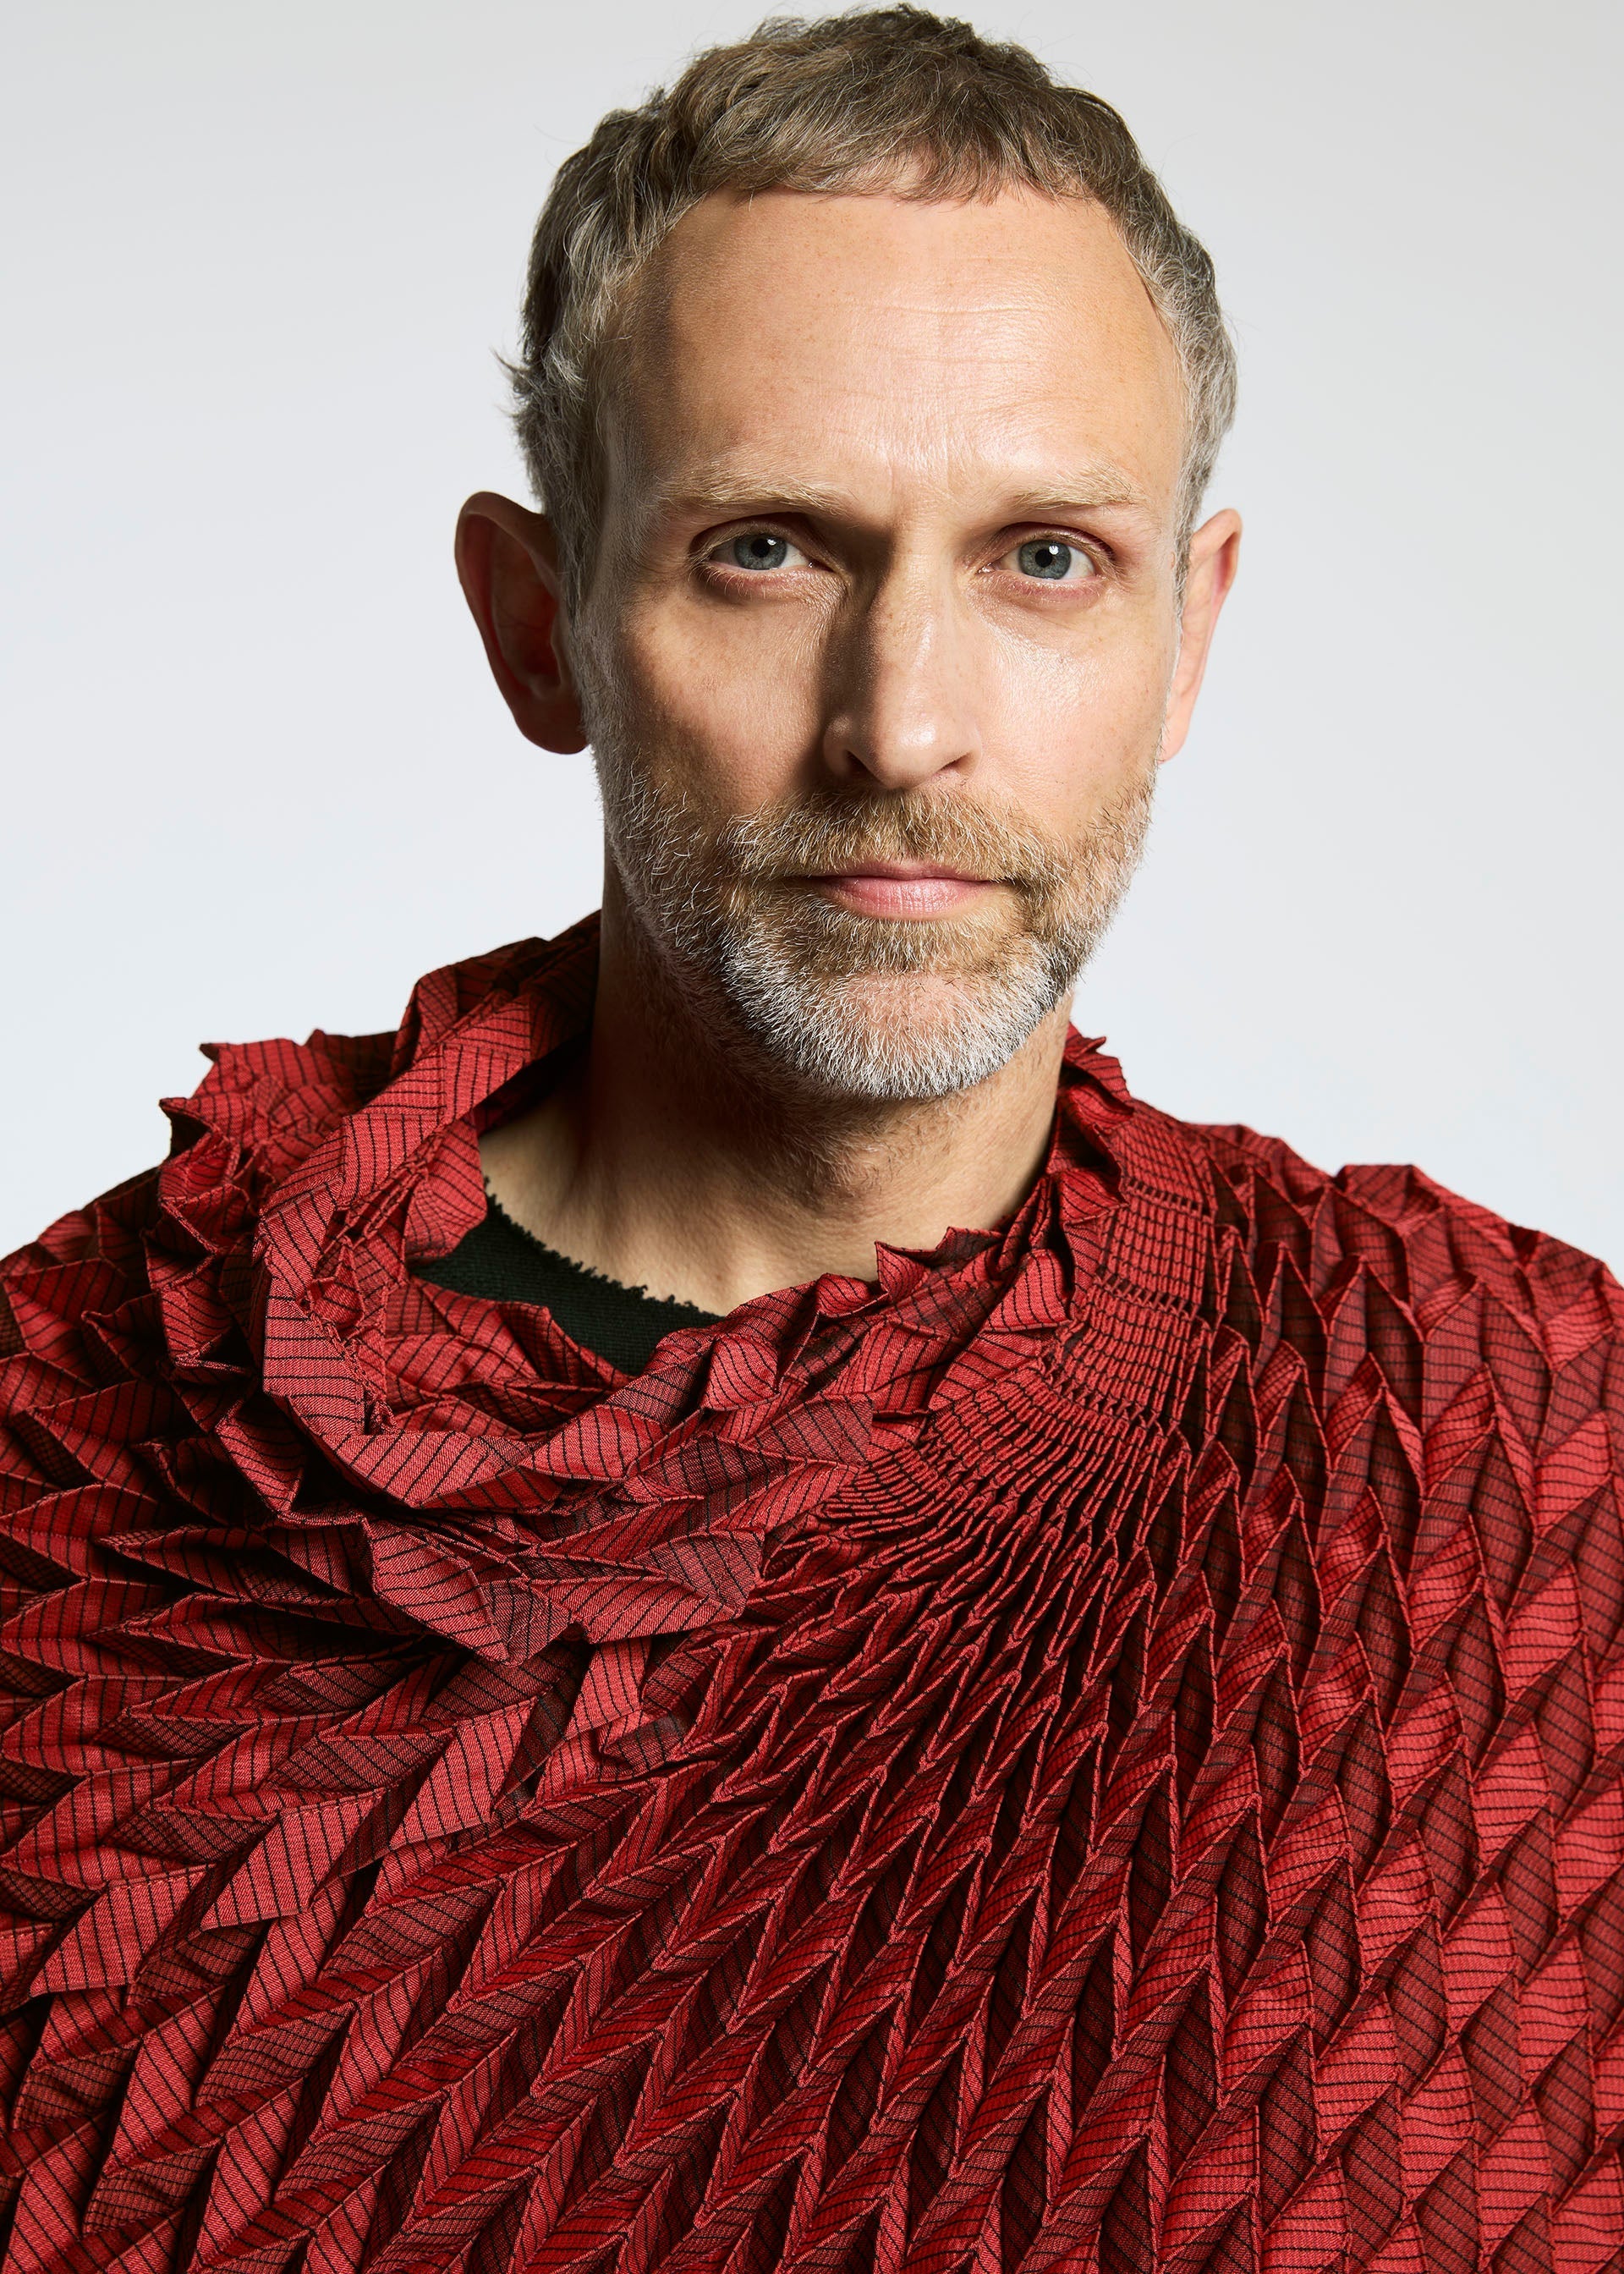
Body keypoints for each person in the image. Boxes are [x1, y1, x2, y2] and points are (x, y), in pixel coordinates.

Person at [2, 10, 1620, 2271]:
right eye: (765, 550)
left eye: (1045, 559)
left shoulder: (1507, 1453)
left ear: (1187, 636)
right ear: (539, 622)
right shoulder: (72, 1450)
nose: (903, 725)